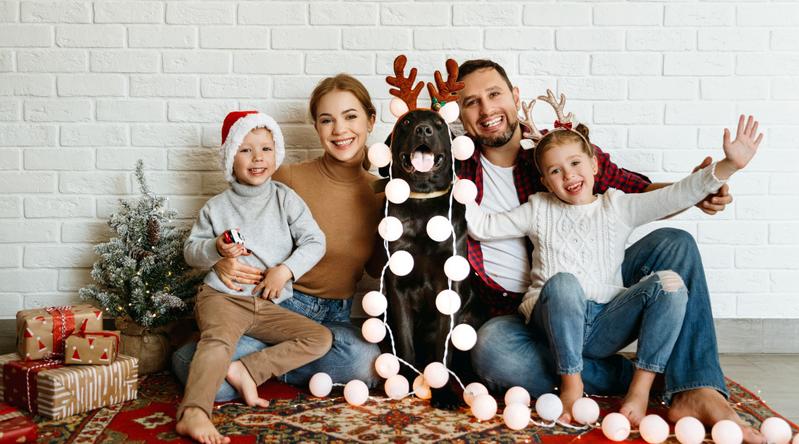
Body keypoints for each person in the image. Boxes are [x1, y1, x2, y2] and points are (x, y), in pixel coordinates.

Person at [456, 59, 764, 442]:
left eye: (494, 94)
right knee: (491, 352)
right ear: (459, 113)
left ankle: (696, 388)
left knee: (675, 244)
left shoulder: (559, 148)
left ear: (515, 97)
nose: (487, 110)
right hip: (526, 315)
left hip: (602, 299)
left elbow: (647, 196)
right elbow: (474, 220)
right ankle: (632, 374)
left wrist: (706, 186)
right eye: (471, 102)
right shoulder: (455, 166)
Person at [172, 74, 383, 402]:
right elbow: (229, 224)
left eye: (351, 116)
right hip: (275, 302)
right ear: (317, 127)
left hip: (334, 317)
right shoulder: (285, 177)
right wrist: (222, 263)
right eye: (327, 120)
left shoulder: (382, 194)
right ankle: (225, 360)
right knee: (216, 385)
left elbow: (374, 269)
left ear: (371, 120)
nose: (340, 129)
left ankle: (253, 366)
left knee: (365, 363)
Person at [176, 110, 332, 444]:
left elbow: (315, 240)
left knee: (319, 338)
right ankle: (194, 413)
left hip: (265, 302)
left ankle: (246, 370)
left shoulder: (285, 199)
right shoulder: (216, 207)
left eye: (265, 148)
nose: (257, 157)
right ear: (231, 159)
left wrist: (285, 270)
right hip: (222, 297)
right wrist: (216, 250)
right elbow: (190, 251)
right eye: (246, 150)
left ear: (276, 155)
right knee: (218, 343)